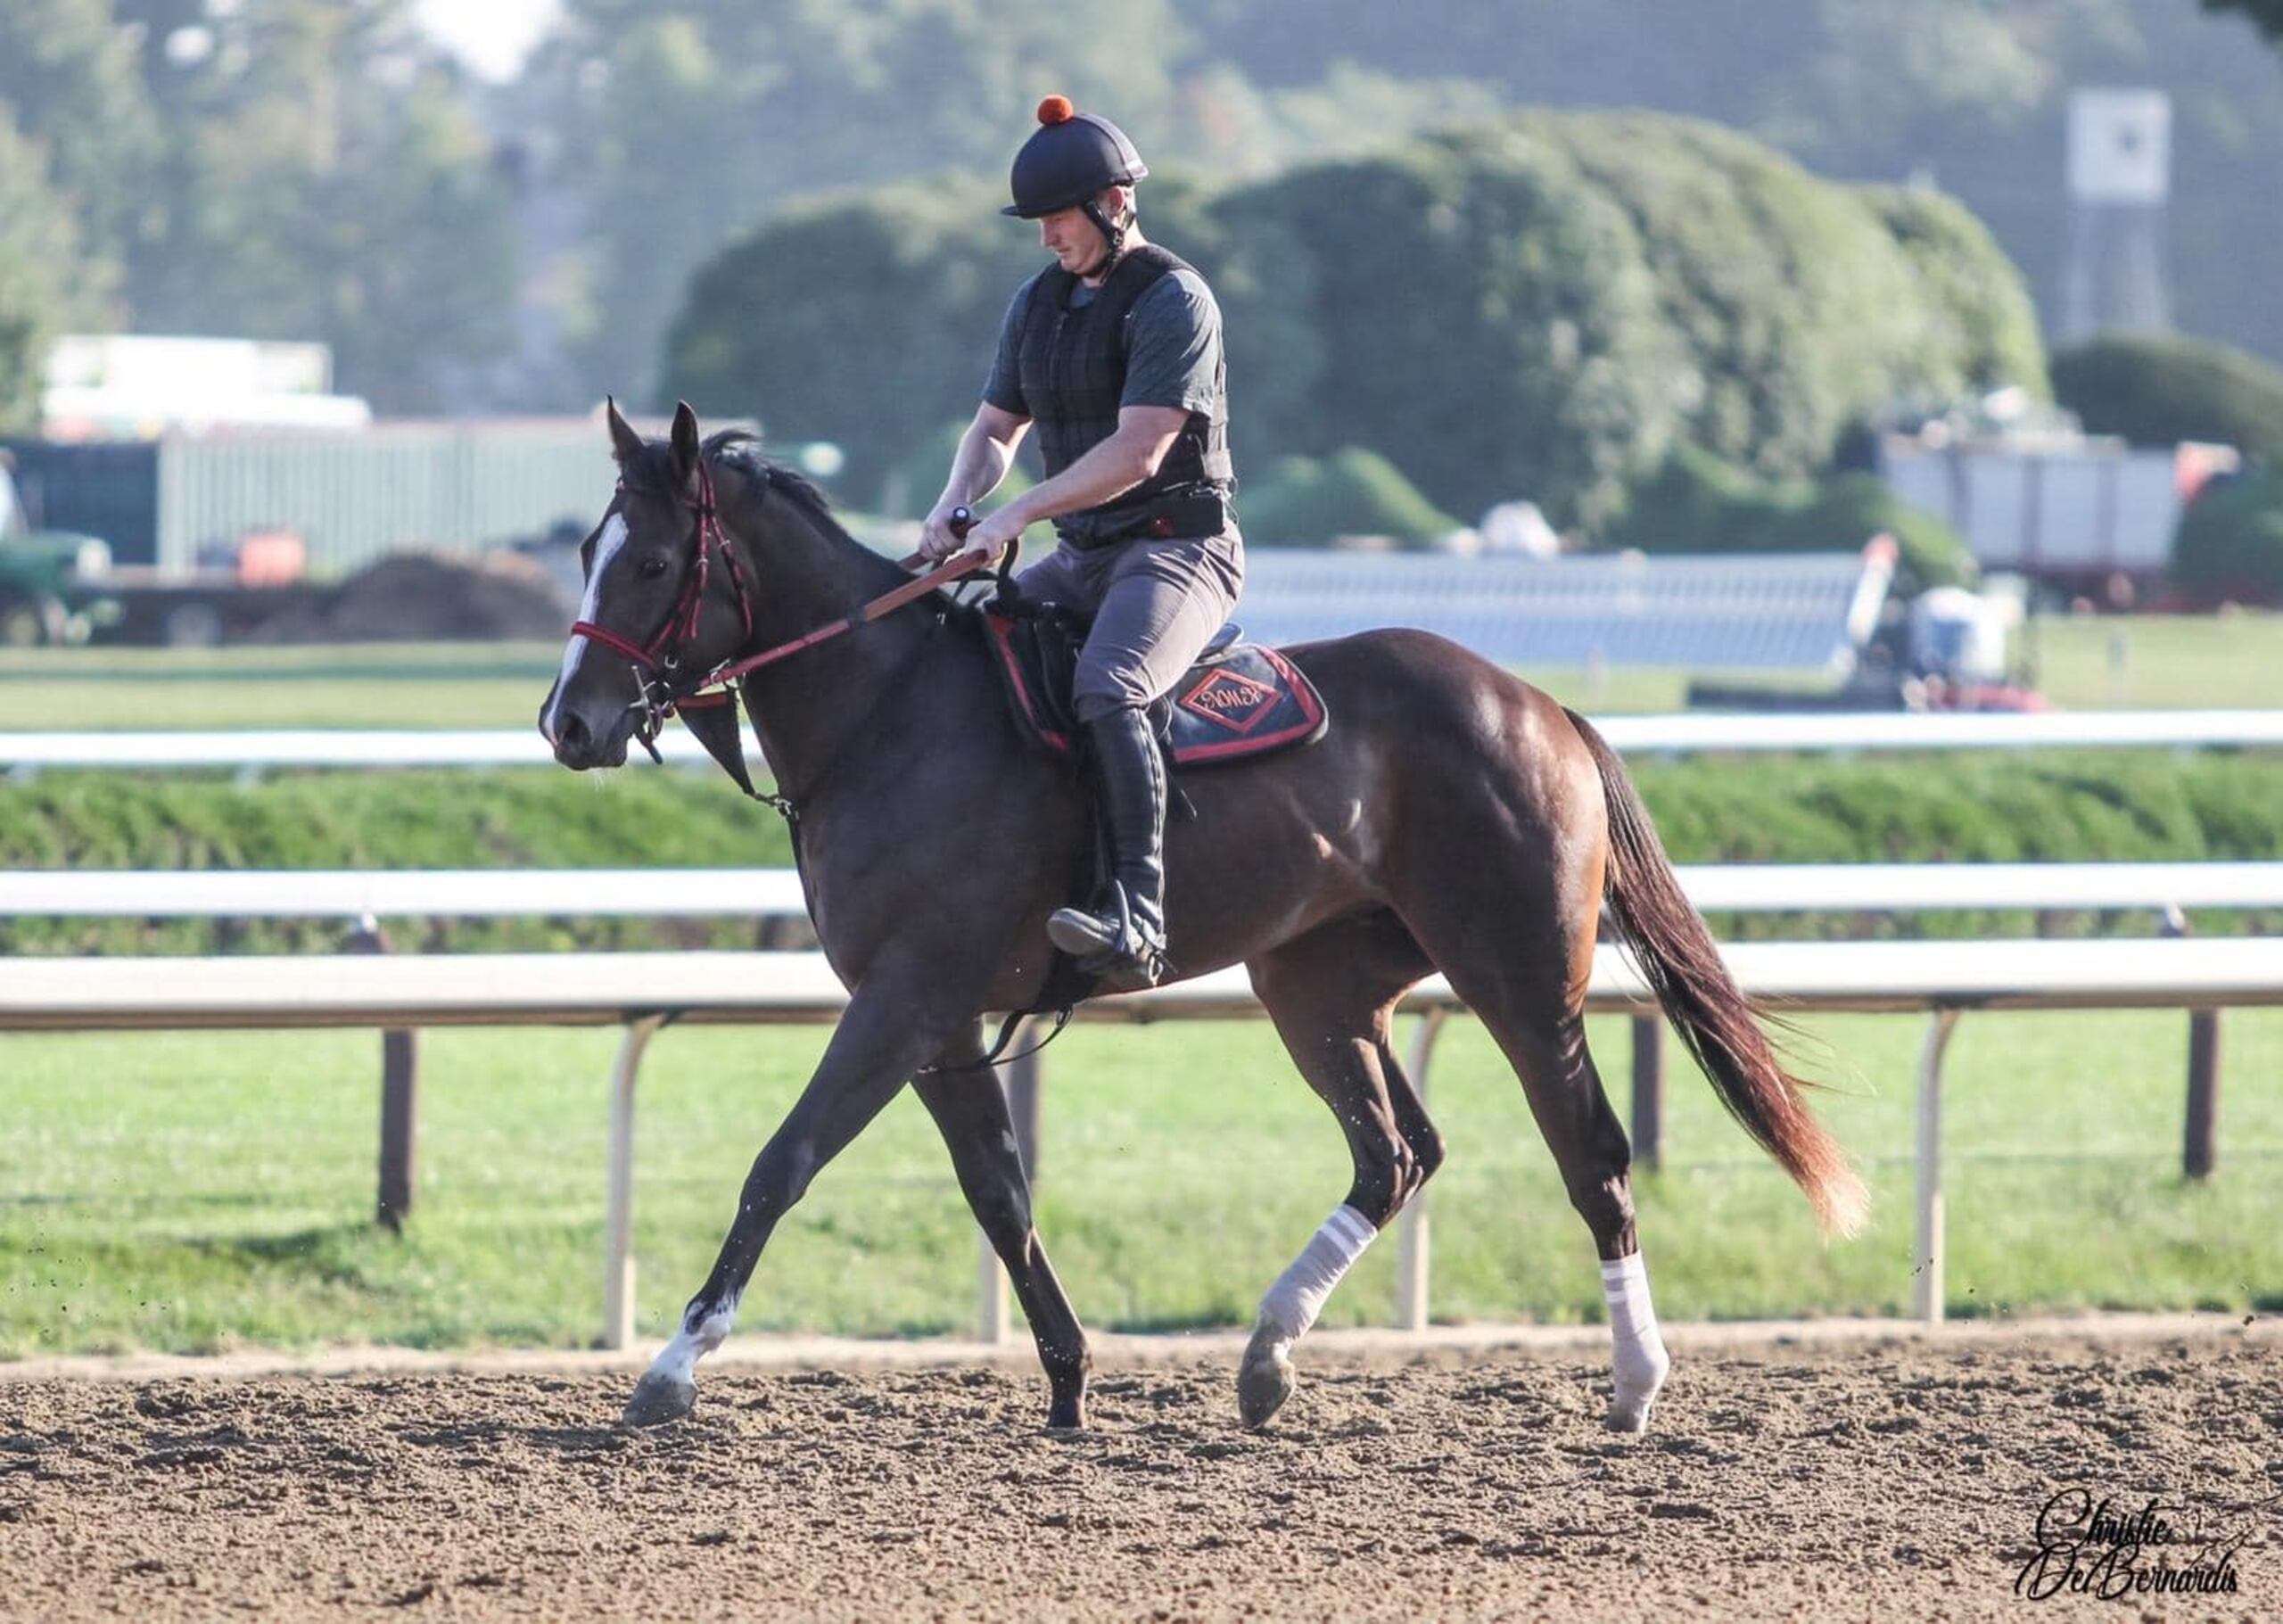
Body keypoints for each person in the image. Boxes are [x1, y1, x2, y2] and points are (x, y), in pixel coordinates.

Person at [920, 95, 1242, 990]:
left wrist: (1014, 517)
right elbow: (993, 432)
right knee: (964, 651)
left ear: (1112, 203)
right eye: (1039, 222)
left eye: (1057, 218)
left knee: (1110, 685)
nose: (1045, 238)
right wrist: (954, 503)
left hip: (1180, 551)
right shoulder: (1039, 302)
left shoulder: (1175, 300)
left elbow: (1138, 454)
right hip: (1087, 556)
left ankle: (1138, 912)